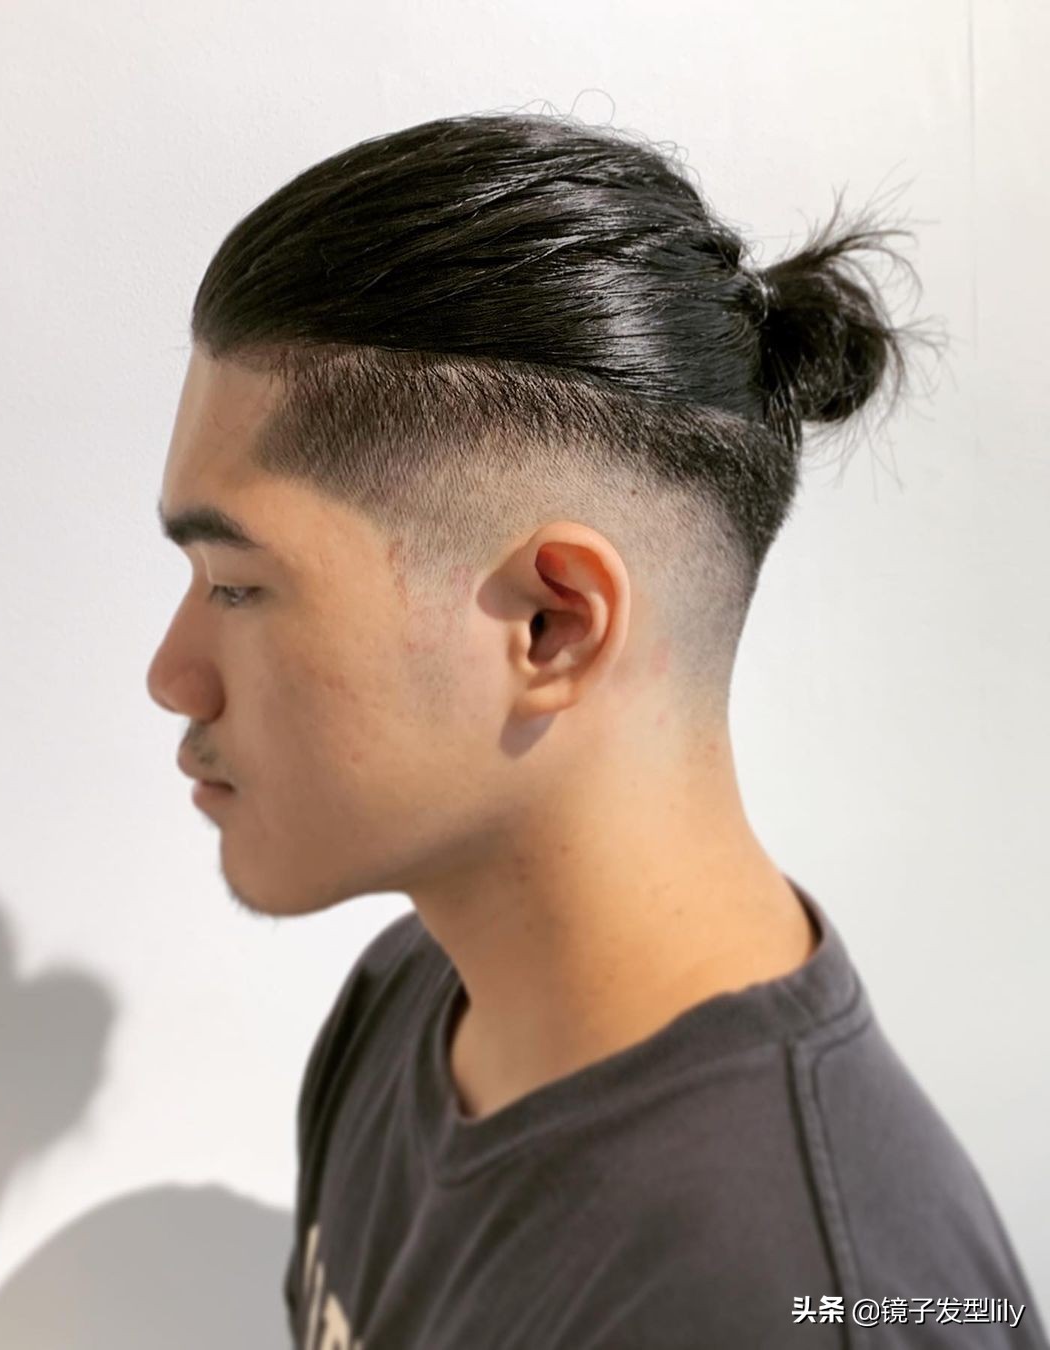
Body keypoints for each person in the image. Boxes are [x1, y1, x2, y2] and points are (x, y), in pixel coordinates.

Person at [146, 111, 1047, 1348]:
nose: (173, 676)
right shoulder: (408, 1002)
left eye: (238, 585)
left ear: (552, 625)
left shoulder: (802, 1293)